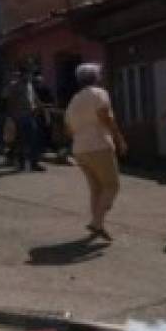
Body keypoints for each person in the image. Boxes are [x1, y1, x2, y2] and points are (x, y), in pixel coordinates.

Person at [63, 63, 126, 241]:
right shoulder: (99, 93)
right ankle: (96, 223)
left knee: (96, 188)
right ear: (95, 78)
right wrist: (119, 138)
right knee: (112, 186)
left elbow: (68, 129)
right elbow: (105, 117)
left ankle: (98, 224)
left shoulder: (74, 100)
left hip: (80, 149)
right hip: (99, 145)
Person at [3, 65, 44, 171]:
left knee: (34, 139)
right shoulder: (14, 85)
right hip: (19, 116)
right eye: (28, 73)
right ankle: (20, 162)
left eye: (30, 73)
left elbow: (34, 97)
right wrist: (11, 115)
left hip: (30, 115)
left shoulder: (30, 85)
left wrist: (40, 106)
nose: (30, 75)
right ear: (23, 74)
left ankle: (34, 163)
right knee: (21, 140)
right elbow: (6, 99)